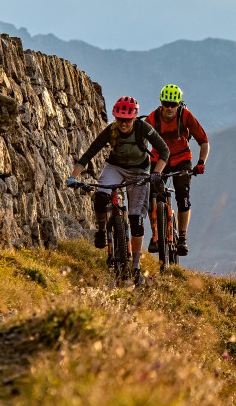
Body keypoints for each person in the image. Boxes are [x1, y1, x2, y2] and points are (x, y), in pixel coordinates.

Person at [66, 95, 170, 281]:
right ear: (116, 118)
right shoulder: (110, 131)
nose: (124, 124)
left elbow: (164, 151)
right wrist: (73, 177)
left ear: (134, 118)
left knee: (136, 220)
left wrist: (157, 172)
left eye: (128, 120)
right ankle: (101, 230)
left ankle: (136, 266)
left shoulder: (143, 128)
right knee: (100, 197)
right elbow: (89, 153)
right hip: (115, 168)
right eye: (120, 119)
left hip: (139, 171)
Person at [144, 84, 210, 256]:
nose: (170, 108)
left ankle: (182, 238)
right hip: (158, 160)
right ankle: (156, 235)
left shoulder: (185, 116)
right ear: (161, 103)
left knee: (183, 195)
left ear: (179, 104)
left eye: (174, 104)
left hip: (182, 159)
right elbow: (140, 140)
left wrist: (201, 162)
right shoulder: (152, 118)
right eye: (166, 104)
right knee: (153, 196)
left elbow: (204, 141)